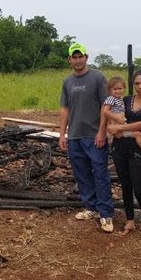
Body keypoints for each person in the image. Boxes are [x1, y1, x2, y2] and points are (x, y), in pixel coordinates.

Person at [59, 42, 115, 233]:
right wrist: (62, 134)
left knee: (100, 174)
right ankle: (90, 207)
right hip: (75, 136)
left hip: (94, 136)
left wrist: (102, 131)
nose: (77, 60)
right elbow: (65, 109)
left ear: (86, 57)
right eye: (73, 57)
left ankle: (106, 213)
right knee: (82, 173)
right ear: (70, 60)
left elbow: (105, 106)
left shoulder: (97, 78)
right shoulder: (68, 82)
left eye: (80, 56)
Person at [107, 69, 141, 239]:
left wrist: (120, 127)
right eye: (136, 83)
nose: (139, 86)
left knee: (139, 188)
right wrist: (114, 126)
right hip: (119, 146)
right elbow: (114, 114)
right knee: (125, 185)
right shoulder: (126, 99)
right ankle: (130, 219)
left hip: (137, 151)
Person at [102, 75, 141, 157]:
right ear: (109, 91)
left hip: (120, 125)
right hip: (116, 125)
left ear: (124, 89)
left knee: (136, 133)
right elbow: (105, 111)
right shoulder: (111, 99)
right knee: (137, 134)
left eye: (120, 89)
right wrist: (116, 118)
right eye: (115, 89)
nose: (118, 91)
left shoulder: (120, 99)